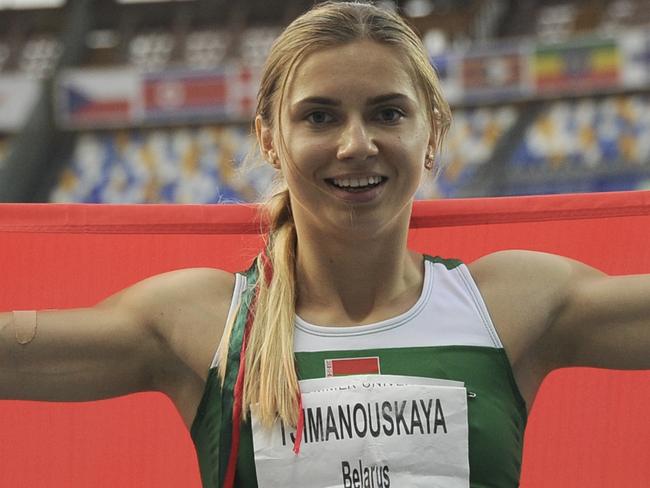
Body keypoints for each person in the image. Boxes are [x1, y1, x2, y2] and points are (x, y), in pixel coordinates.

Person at [1, 2, 650, 487]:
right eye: (319, 116)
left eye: (388, 113)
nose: (356, 144)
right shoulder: (202, 323)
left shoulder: (514, 304)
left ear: (432, 134)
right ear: (268, 139)